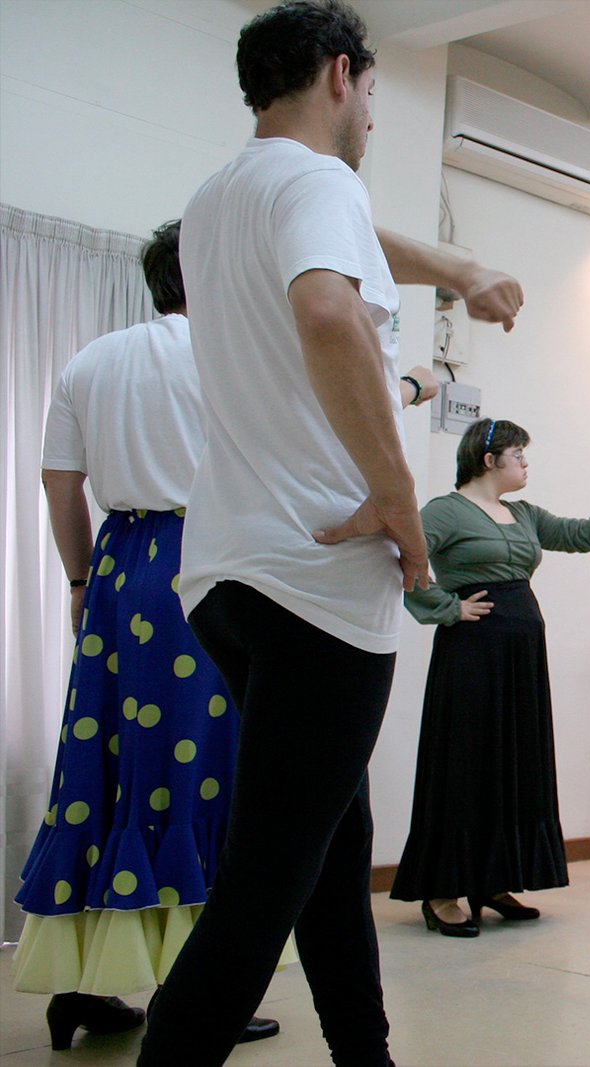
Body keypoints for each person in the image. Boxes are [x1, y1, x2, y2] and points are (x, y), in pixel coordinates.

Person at [138, 3, 522, 1063]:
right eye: (375, 96)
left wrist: (454, 265)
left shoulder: (222, 194)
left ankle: (366, 1051)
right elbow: (326, 309)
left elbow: (341, 241)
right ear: (343, 75)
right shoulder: (319, 184)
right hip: (315, 575)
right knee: (266, 879)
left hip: (228, 572)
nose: (373, 122)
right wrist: (399, 501)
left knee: (329, 840)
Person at [11, 222, 280, 1050]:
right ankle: (192, 992)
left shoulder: (94, 359)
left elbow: (61, 481)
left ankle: (80, 984)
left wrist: (82, 577)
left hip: (119, 567)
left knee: (109, 763)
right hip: (207, 564)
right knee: (199, 769)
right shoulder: (232, 355)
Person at [391, 418, 590, 933]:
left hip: (520, 654)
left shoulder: (524, 515)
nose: (526, 463)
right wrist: (444, 608)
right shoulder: (444, 512)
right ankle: (442, 891)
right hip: (472, 653)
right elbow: (401, 555)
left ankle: (494, 878)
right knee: (467, 762)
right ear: (489, 459)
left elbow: (578, 534)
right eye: (519, 454)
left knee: (512, 762)